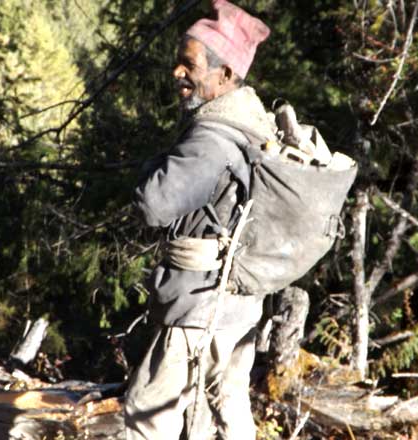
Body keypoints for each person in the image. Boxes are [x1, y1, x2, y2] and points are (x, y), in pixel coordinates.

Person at [125, 1, 272, 439]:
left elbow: (154, 205)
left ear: (225, 75)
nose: (177, 73)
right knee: (226, 415)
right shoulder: (253, 126)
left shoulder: (212, 139)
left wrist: (149, 167)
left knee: (146, 417)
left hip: (199, 308)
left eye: (189, 64)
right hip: (239, 306)